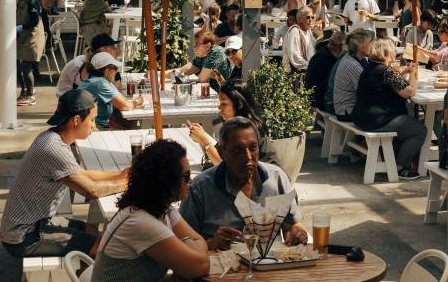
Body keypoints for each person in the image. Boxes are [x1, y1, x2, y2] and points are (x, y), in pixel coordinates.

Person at [0, 89, 129, 259]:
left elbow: (82, 174)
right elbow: (91, 191)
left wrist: (121, 174)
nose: (94, 126)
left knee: (91, 230)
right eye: (91, 120)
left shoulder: (52, 137)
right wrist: (129, 183)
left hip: (35, 223)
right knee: (102, 249)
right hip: (24, 237)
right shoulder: (54, 149)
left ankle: (82, 275)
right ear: (76, 120)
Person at [90, 139, 210, 281]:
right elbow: (200, 266)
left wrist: (187, 243)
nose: (190, 182)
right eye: (187, 176)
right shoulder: (140, 222)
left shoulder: (162, 209)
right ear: (167, 180)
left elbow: (199, 240)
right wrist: (189, 243)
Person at [179, 117, 308, 249]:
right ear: (220, 152)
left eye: (253, 148)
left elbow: (291, 224)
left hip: (269, 263)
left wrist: (296, 232)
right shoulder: (199, 189)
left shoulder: (277, 179)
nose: (248, 156)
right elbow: (182, 246)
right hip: (221, 267)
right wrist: (211, 244)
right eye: (238, 151)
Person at [352, 38, 426, 179]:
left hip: (362, 116)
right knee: (419, 130)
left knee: (405, 124)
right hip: (377, 120)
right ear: (386, 54)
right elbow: (409, 92)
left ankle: (396, 158)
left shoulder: (370, 67)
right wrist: (413, 75)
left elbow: (386, 82)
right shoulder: (387, 71)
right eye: (393, 50)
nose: (395, 52)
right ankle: (400, 166)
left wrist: (403, 72)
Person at [190, 80, 269, 166]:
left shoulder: (248, 130)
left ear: (239, 104)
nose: (219, 107)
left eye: (224, 103)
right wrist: (202, 137)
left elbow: (227, 167)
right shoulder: (235, 126)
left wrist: (204, 140)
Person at [80, 52, 143, 130]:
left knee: (128, 122)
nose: (116, 72)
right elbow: (125, 106)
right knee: (133, 123)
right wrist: (137, 102)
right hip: (95, 127)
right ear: (106, 71)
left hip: (91, 125)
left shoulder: (94, 80)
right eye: (115, 68)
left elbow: (121, 99)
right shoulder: (100, 83)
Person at [326, 29, 375, 119]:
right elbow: (367, 90)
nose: (372, 46)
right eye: (370, 43)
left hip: (343, 108)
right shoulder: (353, 65)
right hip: (346, 111)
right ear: (360, 46)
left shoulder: (350, 58)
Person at [16, 0, 46, 106]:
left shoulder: (33, 1)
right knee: (18, 64)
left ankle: (30, 95)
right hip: (22, 36)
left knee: (26, 66)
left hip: (32, 36)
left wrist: (21, 27)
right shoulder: (20, 1)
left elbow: (34, 20)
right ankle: (23, 92)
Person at [305, 30, 345, 111]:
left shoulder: (323, 52)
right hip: (318, 100)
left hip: (314, 97)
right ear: (341, 46)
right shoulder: (326, 58)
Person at [282, 7, 317, 71]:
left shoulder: (308, 31)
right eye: (308, 17)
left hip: (307, 69)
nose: (311, 20)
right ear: (300, 19)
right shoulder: (295, 31)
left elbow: (315, 49)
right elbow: (295, 56)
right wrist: (310, 66)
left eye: (312, 17)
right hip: (296, 73)